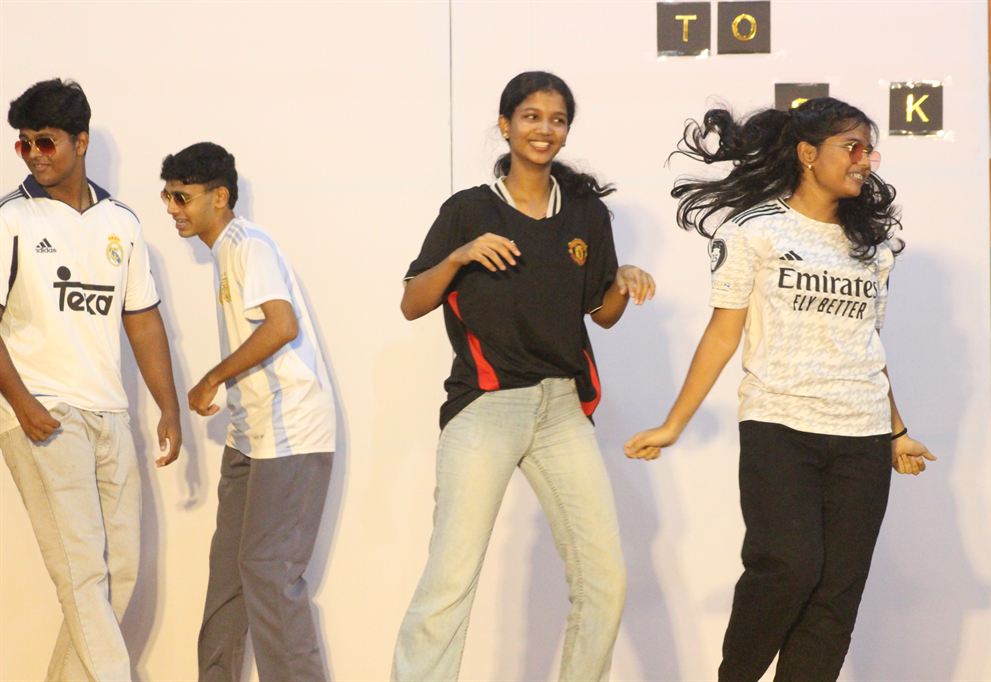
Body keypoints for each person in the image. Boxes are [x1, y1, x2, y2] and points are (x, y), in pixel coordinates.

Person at [625, 97, 937, 681]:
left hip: (863, 436)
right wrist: (674, 424)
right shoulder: (754, 230)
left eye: (869, 151)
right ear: (807, 154)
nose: (864, 160)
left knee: (835, 596)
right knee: (788, 568)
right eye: (852, 147)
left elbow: (867, 346)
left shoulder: (871, 246)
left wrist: (897, 431)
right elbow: (723, 334)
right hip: (780, 427)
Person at [392, 70, 655, 682]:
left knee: (606, 579)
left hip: (562, 410)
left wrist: (622, 282)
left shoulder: (586, 214)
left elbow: (602, 314)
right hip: (486, 406)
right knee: (450, 580)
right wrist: (459, 256)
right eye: (532, 116)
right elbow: (411, 301)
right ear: (505, 125)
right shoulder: (469, 210)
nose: (545, 129)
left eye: (557, 119)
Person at [0, 78, 181, 681]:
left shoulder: (120, 223)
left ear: (80, 142)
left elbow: (142, 319)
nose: (34, 155)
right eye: (24, 144)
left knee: (118, 573)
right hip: (43, 414)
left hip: (109, 414)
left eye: (46, 142)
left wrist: (168, 406)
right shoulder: (11, 218)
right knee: (81, 573)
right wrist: (21, 402)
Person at [160, 142, 335, 682]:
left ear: (220, 196)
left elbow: (282, 325)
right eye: (167, 197)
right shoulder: (224, 252)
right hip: (250, 434)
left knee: (268, 569)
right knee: (228, 573)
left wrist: (213, 376)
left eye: (182, 197)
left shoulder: (247, 244)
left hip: (291, 432)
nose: (172, 209)